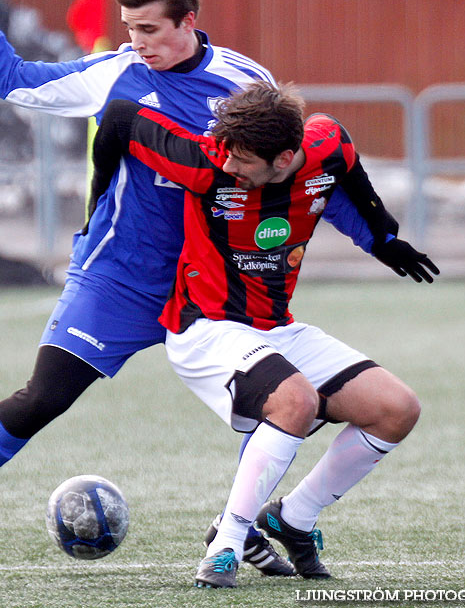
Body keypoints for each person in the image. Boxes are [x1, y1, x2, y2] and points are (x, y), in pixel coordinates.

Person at [0, 0, 434, 579]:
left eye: (149, 28)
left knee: (280, 405)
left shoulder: (246, 82)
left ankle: (240, 530)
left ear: (189, 20)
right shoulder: (116, 74)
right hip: (118, 279)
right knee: (41, 399)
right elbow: (14, 83)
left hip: (212, 284)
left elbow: (304, 175)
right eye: (129, 27)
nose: (136, 42)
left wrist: (376, 239)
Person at [87, 82, 438, 588]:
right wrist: (97, 203)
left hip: (276, 330)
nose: (229, 167)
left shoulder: (324, 146)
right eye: (227, 154)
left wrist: (385, 237)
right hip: (203, 329)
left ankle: (293, 518)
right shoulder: (206, 163)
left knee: (397, 409)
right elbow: (119, 116)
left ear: (287, 157)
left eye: (244, 160)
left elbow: (347, 161)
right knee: (294, 400)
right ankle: (227, 544)